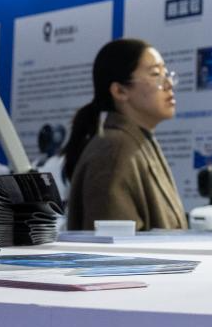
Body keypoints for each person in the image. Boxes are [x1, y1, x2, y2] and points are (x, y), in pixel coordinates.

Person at [63, 38, 187, 231]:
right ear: (120, 91)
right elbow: (113, 247)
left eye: (166, 73)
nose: (169, 83)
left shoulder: (135, 142)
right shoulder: (114, 152)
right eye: (156, 74)